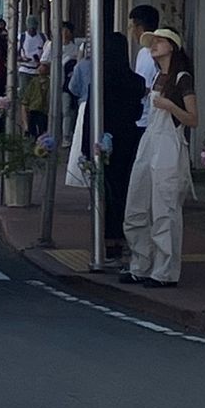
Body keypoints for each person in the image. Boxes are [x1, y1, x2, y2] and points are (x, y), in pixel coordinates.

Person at [121, 28, 197, 287]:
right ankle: (140, 264)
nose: (154, 45)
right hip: (150, 140)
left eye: (160, 41)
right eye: (152, 42)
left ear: (172, 46)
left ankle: (164, 271)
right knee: (137, 204)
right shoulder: (157, 77)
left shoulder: (182, 78)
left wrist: (171, 106)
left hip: (169, 143)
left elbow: (193, 118)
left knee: (165, 208)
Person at [83, 33, 146, 261]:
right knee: (125, 190)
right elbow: (138, 112)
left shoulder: (99, 82)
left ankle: (107, 241)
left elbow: (91, 116)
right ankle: (125, 238)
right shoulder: (137, 82)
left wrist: (85, 148)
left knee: (104, 192)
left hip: (103, 142)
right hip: (129, 139)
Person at [128, 4, 161, 130]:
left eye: (132, 27)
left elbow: (144, 88)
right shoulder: (142, 53)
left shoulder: (150, 55)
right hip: (141, 117)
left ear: (140, 28)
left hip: (147, 119)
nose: (131, 32)